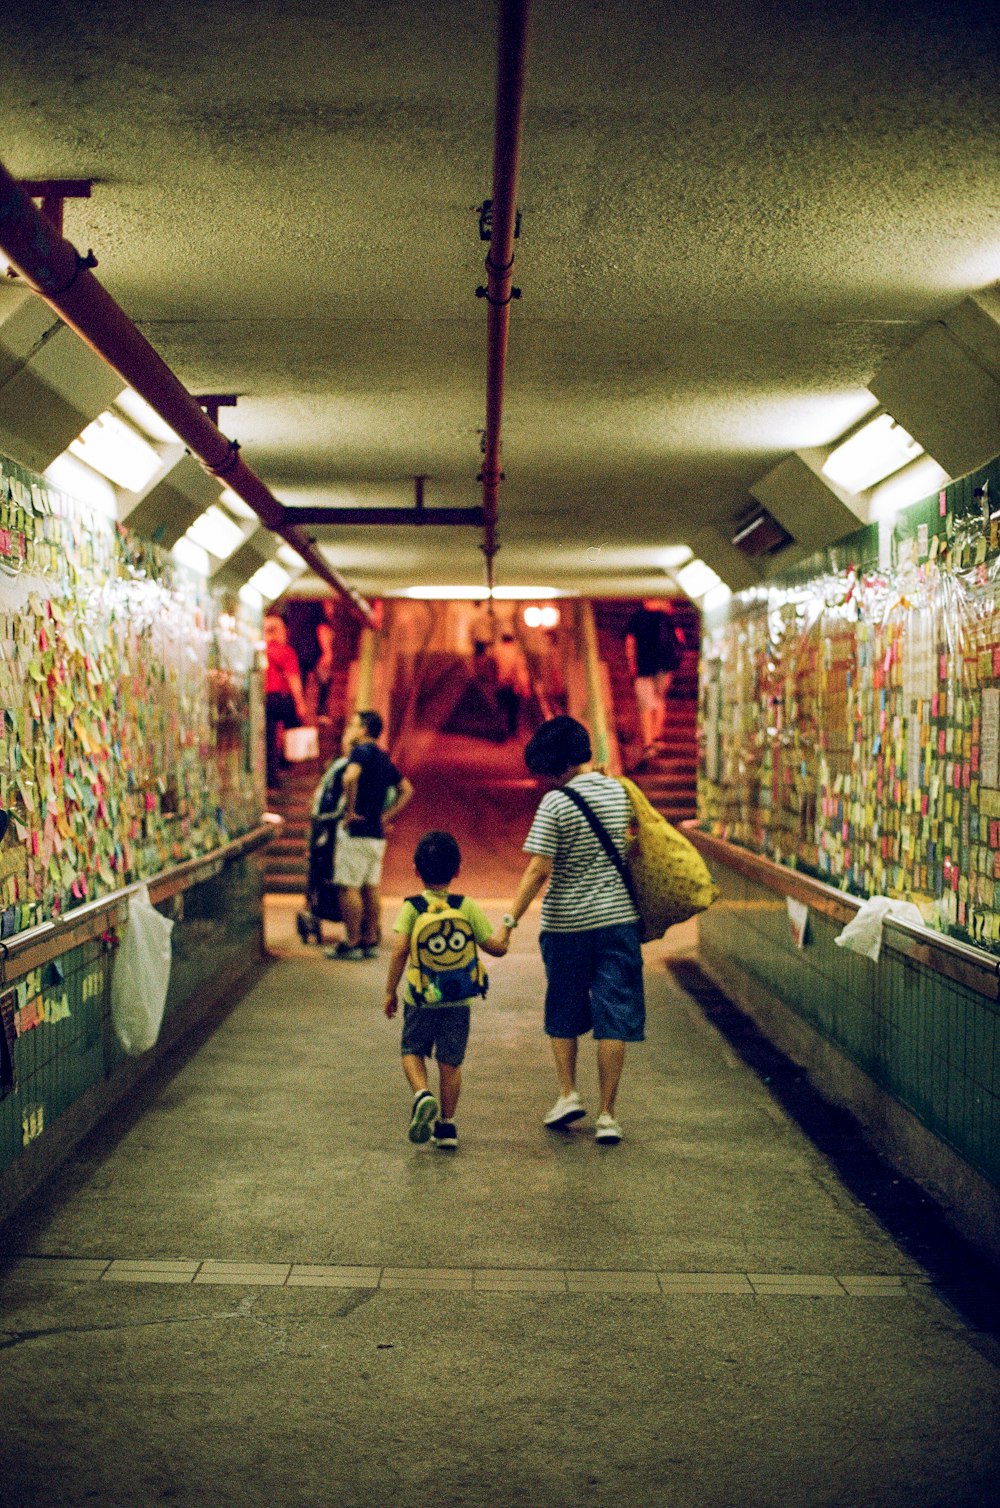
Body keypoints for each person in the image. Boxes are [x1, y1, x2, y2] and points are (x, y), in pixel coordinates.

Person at [500, 715, 644, 1145]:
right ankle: (608, 1115)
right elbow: (635, 844)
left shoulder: (557, 804)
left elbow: (538, 868)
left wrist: (509, 922)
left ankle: (567, 1094)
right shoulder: (620, 791)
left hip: (567, 925)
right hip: (618, 920)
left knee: (564, 1007)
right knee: (613, 1013)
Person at [383, 830, 510, 1149]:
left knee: (412, 1051)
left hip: (421, 997)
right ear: (457, 870)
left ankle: (422, 1094)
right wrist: (507, 930)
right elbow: (494, 948)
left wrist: (390, 991)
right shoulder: (465, 906)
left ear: (416, 870)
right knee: (450, 1062)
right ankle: (447, 1127)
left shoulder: (412, 907)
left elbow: (399, 950)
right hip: (458, 999)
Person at [329, 710, 413, 961]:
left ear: (364, 729)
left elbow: (350, 776)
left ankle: (352, 941)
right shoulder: (382, 756)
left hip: (356, 832)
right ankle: (369, 940)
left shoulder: (360, 752)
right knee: (370, 887)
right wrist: (386, 816)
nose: (350, 729)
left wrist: (350, 811)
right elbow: (406, 790)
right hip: (376, 834)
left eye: (353, 725)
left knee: (348, 887)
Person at [624, 598, 685, 758]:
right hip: (664, 665)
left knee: (645, 705)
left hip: (643, 665)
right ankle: (656, 736)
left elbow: (630, 642)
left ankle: (648, 742)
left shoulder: (637, 617)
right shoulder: (667, 617)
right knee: (659, 699)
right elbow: (680, 639)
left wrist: (632, 664)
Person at [263, 613, 307, 790]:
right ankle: (285, 765)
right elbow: (293, 679)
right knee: (289, 728)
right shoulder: (286, 652)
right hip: (280, 698)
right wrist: (300, 703)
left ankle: (270, 775)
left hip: (264, 700)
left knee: (268, 738)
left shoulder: (261, 651)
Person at [492, 632, 531, 739]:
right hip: (513, 686)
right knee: (513, 710)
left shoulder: (496, 652)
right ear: (512, 641)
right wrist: (525, 687)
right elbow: (520, 670)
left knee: (501, 708)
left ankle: (500, 730)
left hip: (500, 684)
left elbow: (492, 667)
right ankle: (512, 732)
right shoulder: (516, 652)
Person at [305, 619, 339, 723]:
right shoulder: (322, 620)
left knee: (323, 684)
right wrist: (327, 652)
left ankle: (320, 712)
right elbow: (322, 631)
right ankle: (321, 712)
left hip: (315, 657)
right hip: (319, 658)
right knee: (323, 684)